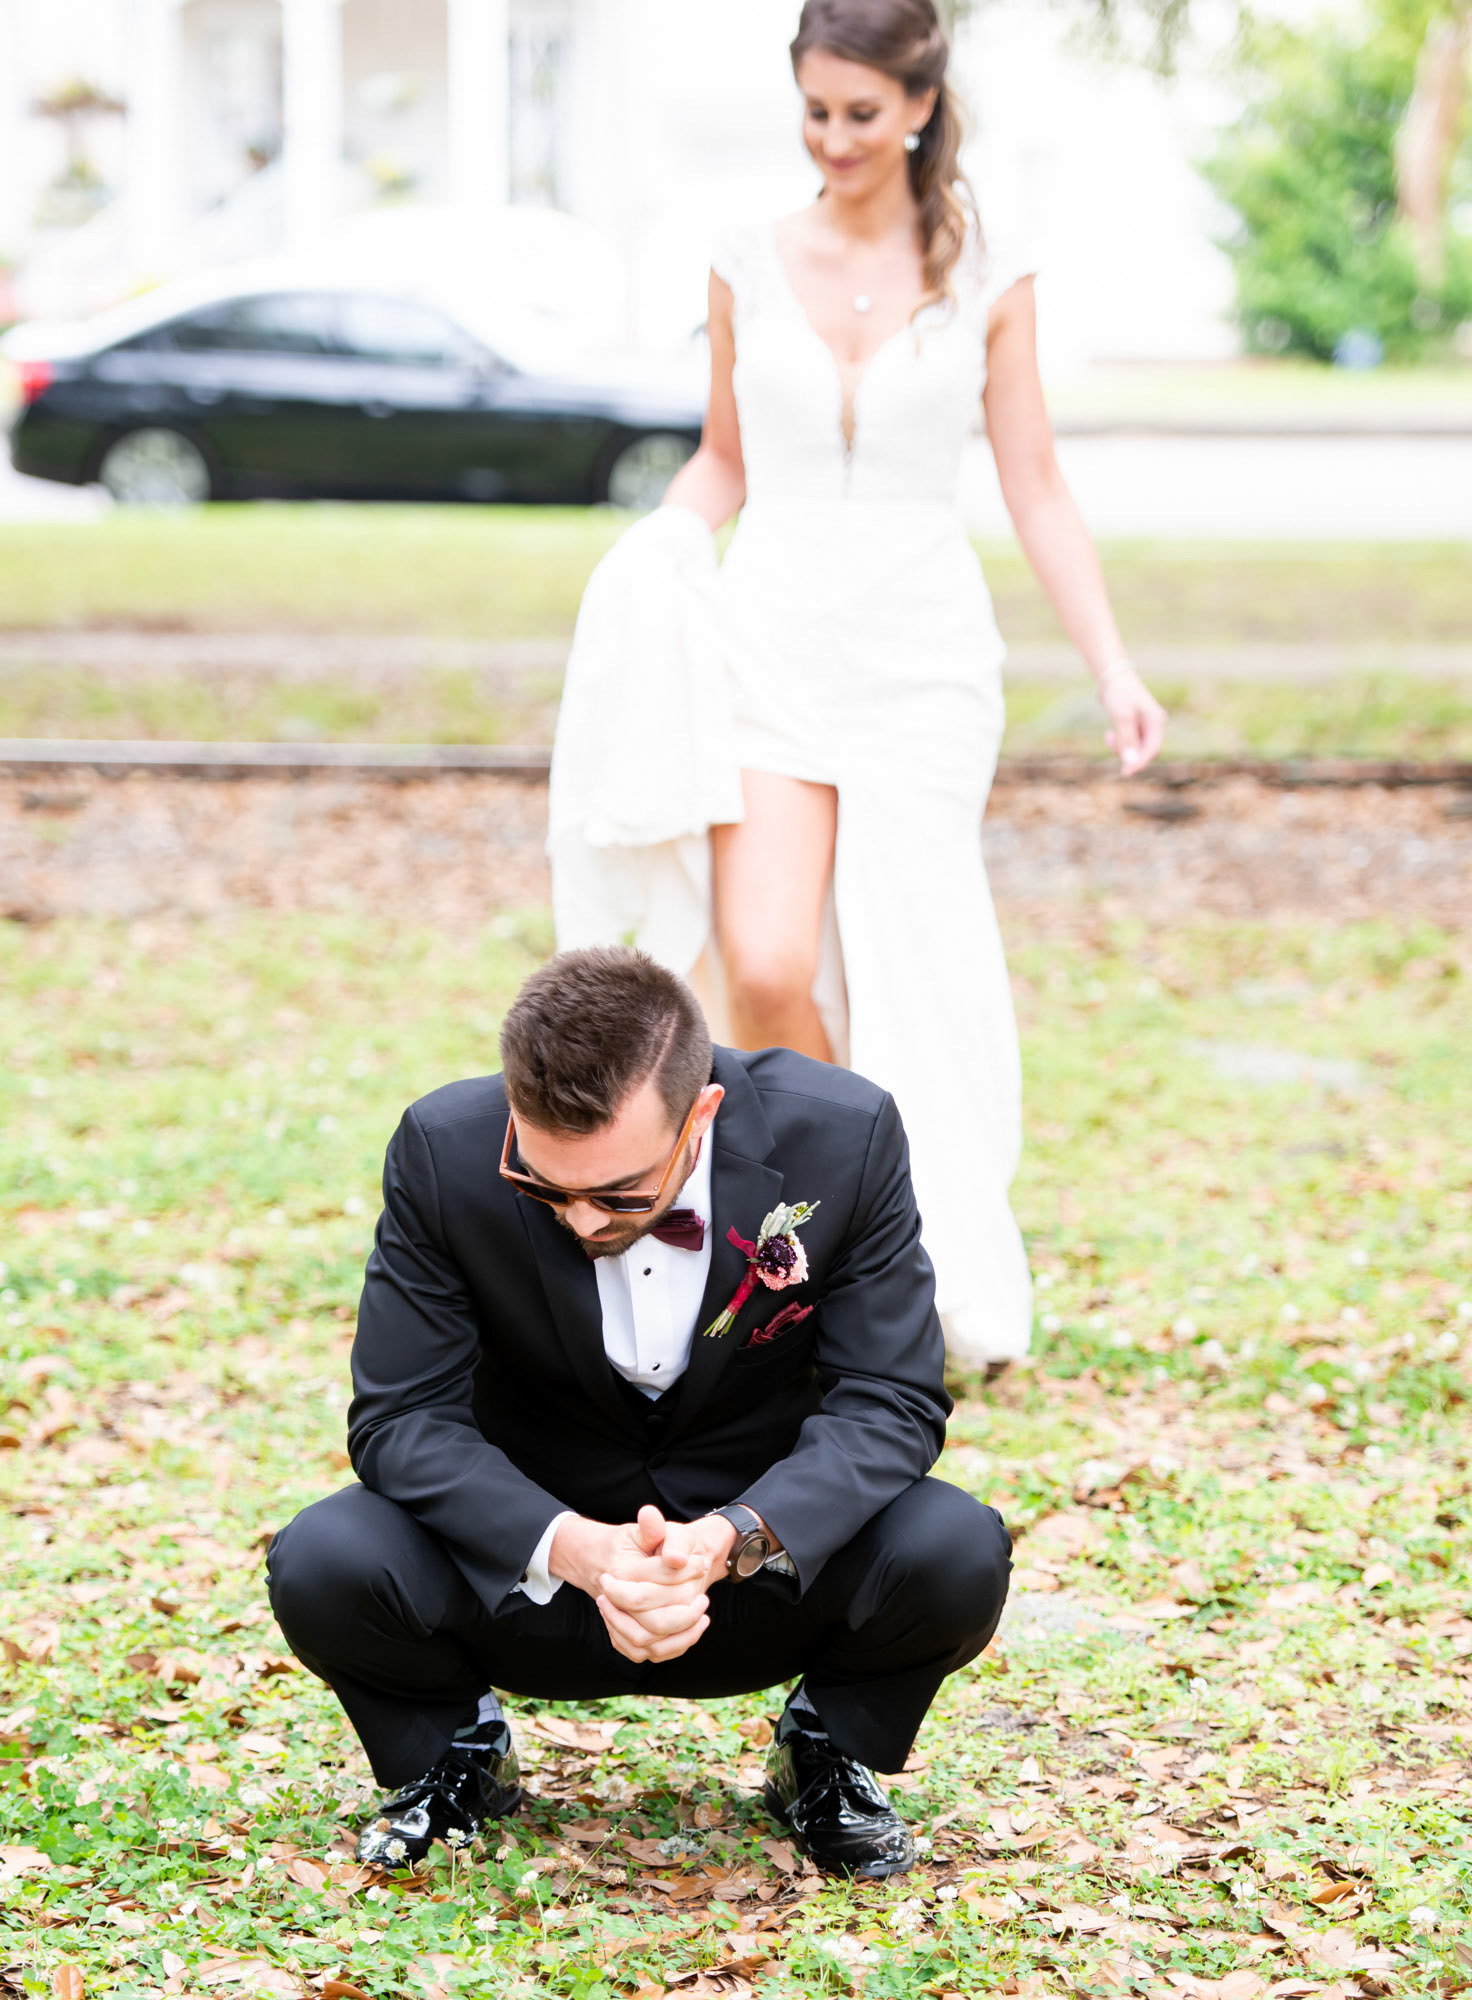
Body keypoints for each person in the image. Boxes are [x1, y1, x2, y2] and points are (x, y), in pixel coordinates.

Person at [548, 0, 1166, 1369]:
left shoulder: (990, 271)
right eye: (814, 112)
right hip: (764, 638)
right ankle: (824, 1253)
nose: (833, 140)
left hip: (923, 660)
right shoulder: (742, 258)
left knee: (913, 975)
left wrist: (1112, 664)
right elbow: (724, 458)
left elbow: (1036, 483)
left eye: (861, 114)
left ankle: (899, 1275)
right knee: (764, 963)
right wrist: (658, 543)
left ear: (921, 109)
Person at [267, 947, 1010, 1881]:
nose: (579, 1222)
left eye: (618, 1194)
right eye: (547, 1189)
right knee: (326, 1559)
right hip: (531, 1581)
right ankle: (460, 1751)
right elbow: (400, 1417)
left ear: (702, 1111)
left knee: (952, 1548)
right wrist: (575, 1547)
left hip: (751, 1582)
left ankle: (823, 1749)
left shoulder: (843, 1135)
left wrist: (735, 1537)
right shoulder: (441, 1148)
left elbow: (891, 1400)